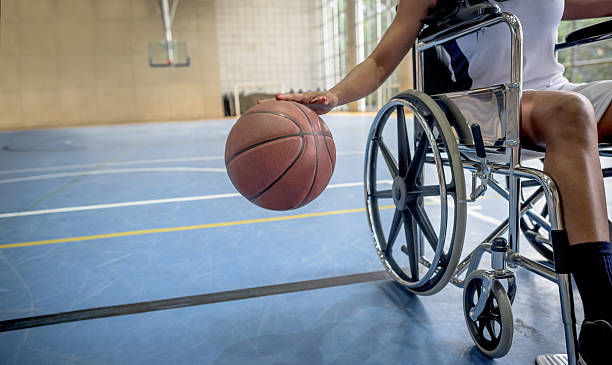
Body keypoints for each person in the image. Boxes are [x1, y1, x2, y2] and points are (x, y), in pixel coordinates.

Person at [264, 0, 612, 363]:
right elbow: (380, 61)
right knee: (571, 112)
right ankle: (602, 314)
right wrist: (334, 96)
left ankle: (595, 245)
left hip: (557, 91)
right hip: (485, 103)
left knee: (572, 109)